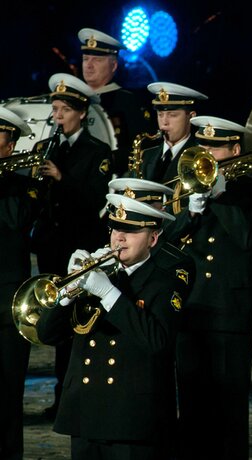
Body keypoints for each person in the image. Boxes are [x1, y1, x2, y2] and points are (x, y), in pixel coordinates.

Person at [35, 192, 188, 460]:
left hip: (132, 419)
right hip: (84, 412)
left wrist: (109, 294)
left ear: (153, 239)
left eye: (131, 231)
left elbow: (157, 341)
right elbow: (47, 334)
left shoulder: (166, 280)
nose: (119, 238)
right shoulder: (97, 274)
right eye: (116, 229)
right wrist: (68, 291)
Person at [166, 116, 252, 459]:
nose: (207, 154)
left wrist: (221, 195)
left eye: (215, 147)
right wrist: (190, 214)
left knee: (229, 411)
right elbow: (165, 240)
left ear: (235, 150)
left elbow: (249, 237)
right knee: (192, 408)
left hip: (229, 313)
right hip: (192, 308)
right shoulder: (188, 186)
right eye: (203, 146)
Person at [31, 73, 113, 421]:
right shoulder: (48, 148)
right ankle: (59, 394)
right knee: (54, 318)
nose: (58, 116)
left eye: (64, 110)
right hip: (51, 246)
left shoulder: (98, 152)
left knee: (77, 321)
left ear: (81, 113)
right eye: (55, 109)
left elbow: (96, 200)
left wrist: (62, 179)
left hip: (78, 245)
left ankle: (74, 394)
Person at [0, 107, 38, 459]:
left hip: (5, 310)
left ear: (10, 146)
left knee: (7, 396)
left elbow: (15, 222)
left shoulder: (22, 186)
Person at [78, 27, 153, 177]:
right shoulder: (72, 100)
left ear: (114, 65)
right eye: (86, 59)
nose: (89, 65)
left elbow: (143, 149)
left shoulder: (128, 102)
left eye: (97, 60)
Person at [138, 82, 208, 184]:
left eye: (172, 115)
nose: (164, 122)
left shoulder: (200, 158)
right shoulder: (145, 156)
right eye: (160, 115)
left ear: (191, 116)